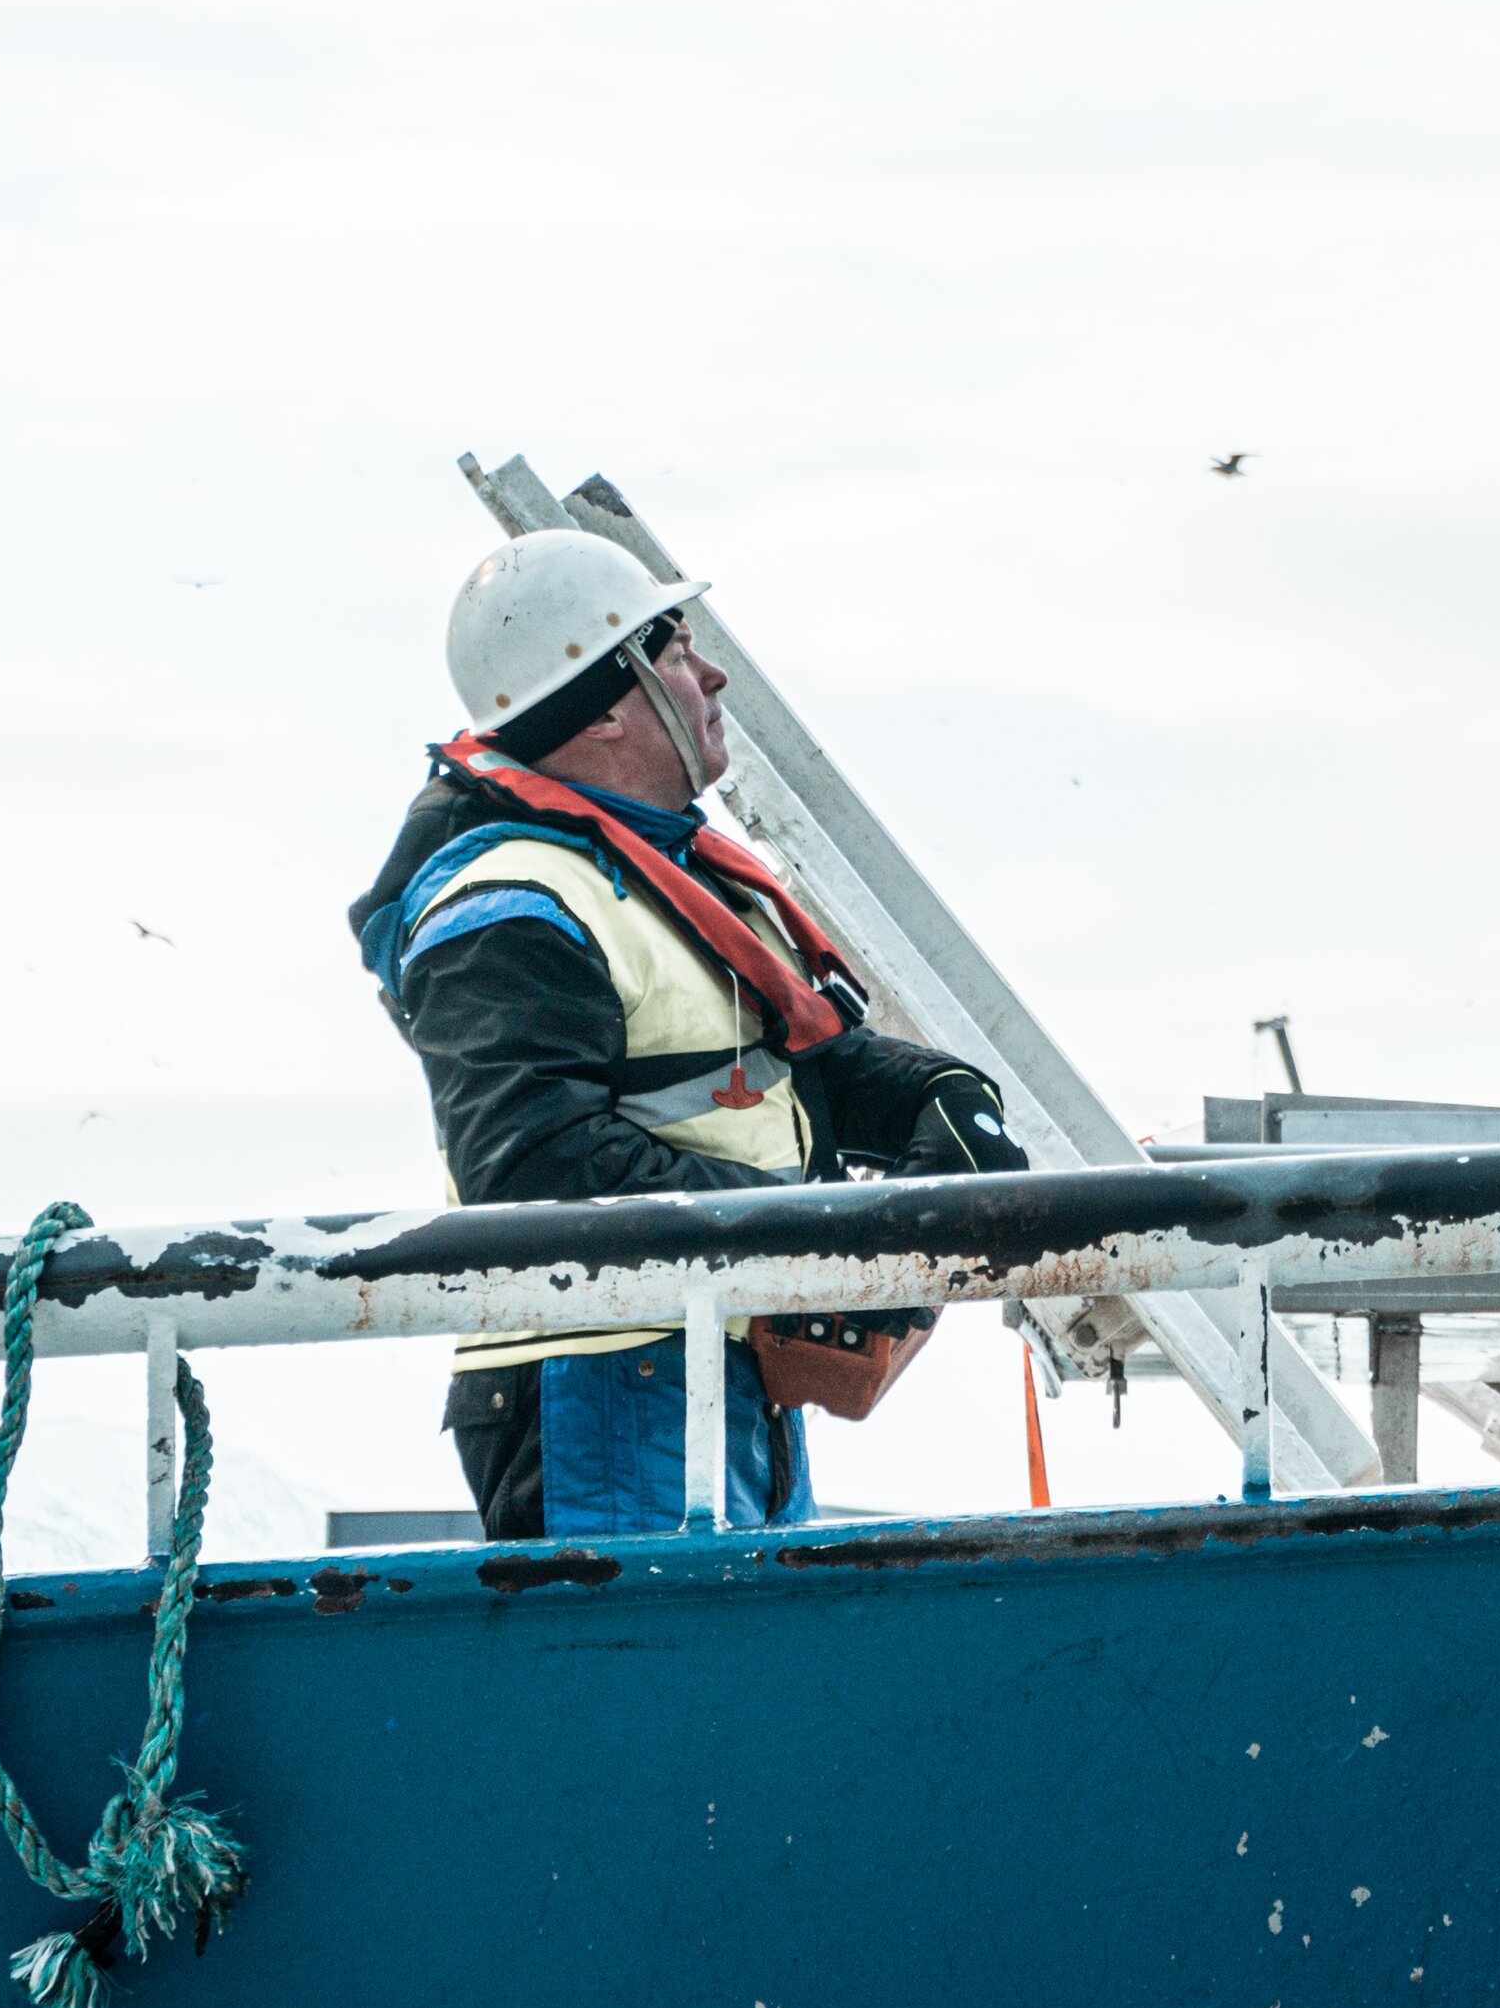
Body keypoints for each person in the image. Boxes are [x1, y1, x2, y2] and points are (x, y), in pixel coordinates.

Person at [347, 530, 1027, 1538]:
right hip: (605, 1387)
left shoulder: (654, 878)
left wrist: (939, 1097)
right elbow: (527, 1164)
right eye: (672, 650)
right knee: (668, 1691)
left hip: (718, 1355)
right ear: (608, 709)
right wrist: (820, 1232)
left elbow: (782, 1067)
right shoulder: (507, 905)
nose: (710, 676)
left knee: (748, 1688)